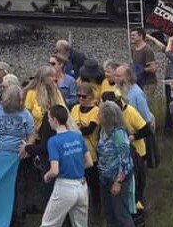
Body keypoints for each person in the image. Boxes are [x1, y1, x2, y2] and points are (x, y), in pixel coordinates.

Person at [41, 105, 93, 227]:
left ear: (55, 120)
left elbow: (54, 170)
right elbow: (89, 162)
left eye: (49, 118)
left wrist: (47, 176)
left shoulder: (53, 141)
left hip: (65, 187)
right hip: (81, 186)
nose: (48, 121)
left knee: (48, 224)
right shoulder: (78, 136)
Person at [97, 101, 135, 227]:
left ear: (107, 117)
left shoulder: (118, 133)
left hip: (117, 180)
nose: (98, 116)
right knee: (109, 213)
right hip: (105, 178)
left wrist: (118, 182)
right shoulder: (102, 130)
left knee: (121, 214)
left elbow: (125, 160)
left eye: (100, 114)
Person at [70, 83, 100, 214]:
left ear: (91, 97)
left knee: (94, 183)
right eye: (79, 96)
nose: (81, 98)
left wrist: (77, 128)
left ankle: (97, 207)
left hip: (91, 152)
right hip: (76, 152)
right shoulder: (75, 108)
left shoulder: (96, 111)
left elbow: (89, 129)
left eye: (84, 96)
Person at [24, 65, 66, 138]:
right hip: (38, 136)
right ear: (43, 78)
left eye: (55, 76)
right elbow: (27, 115)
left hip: (56, 133)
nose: (54, 79)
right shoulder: (31, 93)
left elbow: (62, 109)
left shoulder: (56, 92)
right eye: (51, 76)